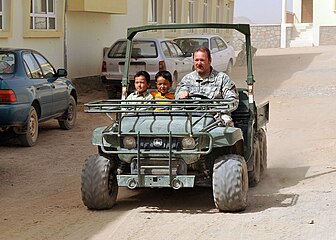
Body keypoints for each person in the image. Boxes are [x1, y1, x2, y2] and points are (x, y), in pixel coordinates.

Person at [175, 46, 239, 126]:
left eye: (202, 60)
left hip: (216, 118)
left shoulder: (222, 78)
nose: (199, 63)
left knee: (226, 122)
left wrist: (215, 109)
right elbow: (178, 97)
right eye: (196, 60)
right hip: (191, 117)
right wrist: (182, 95)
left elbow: (232, 101)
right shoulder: (187, 79)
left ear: (209, 61)